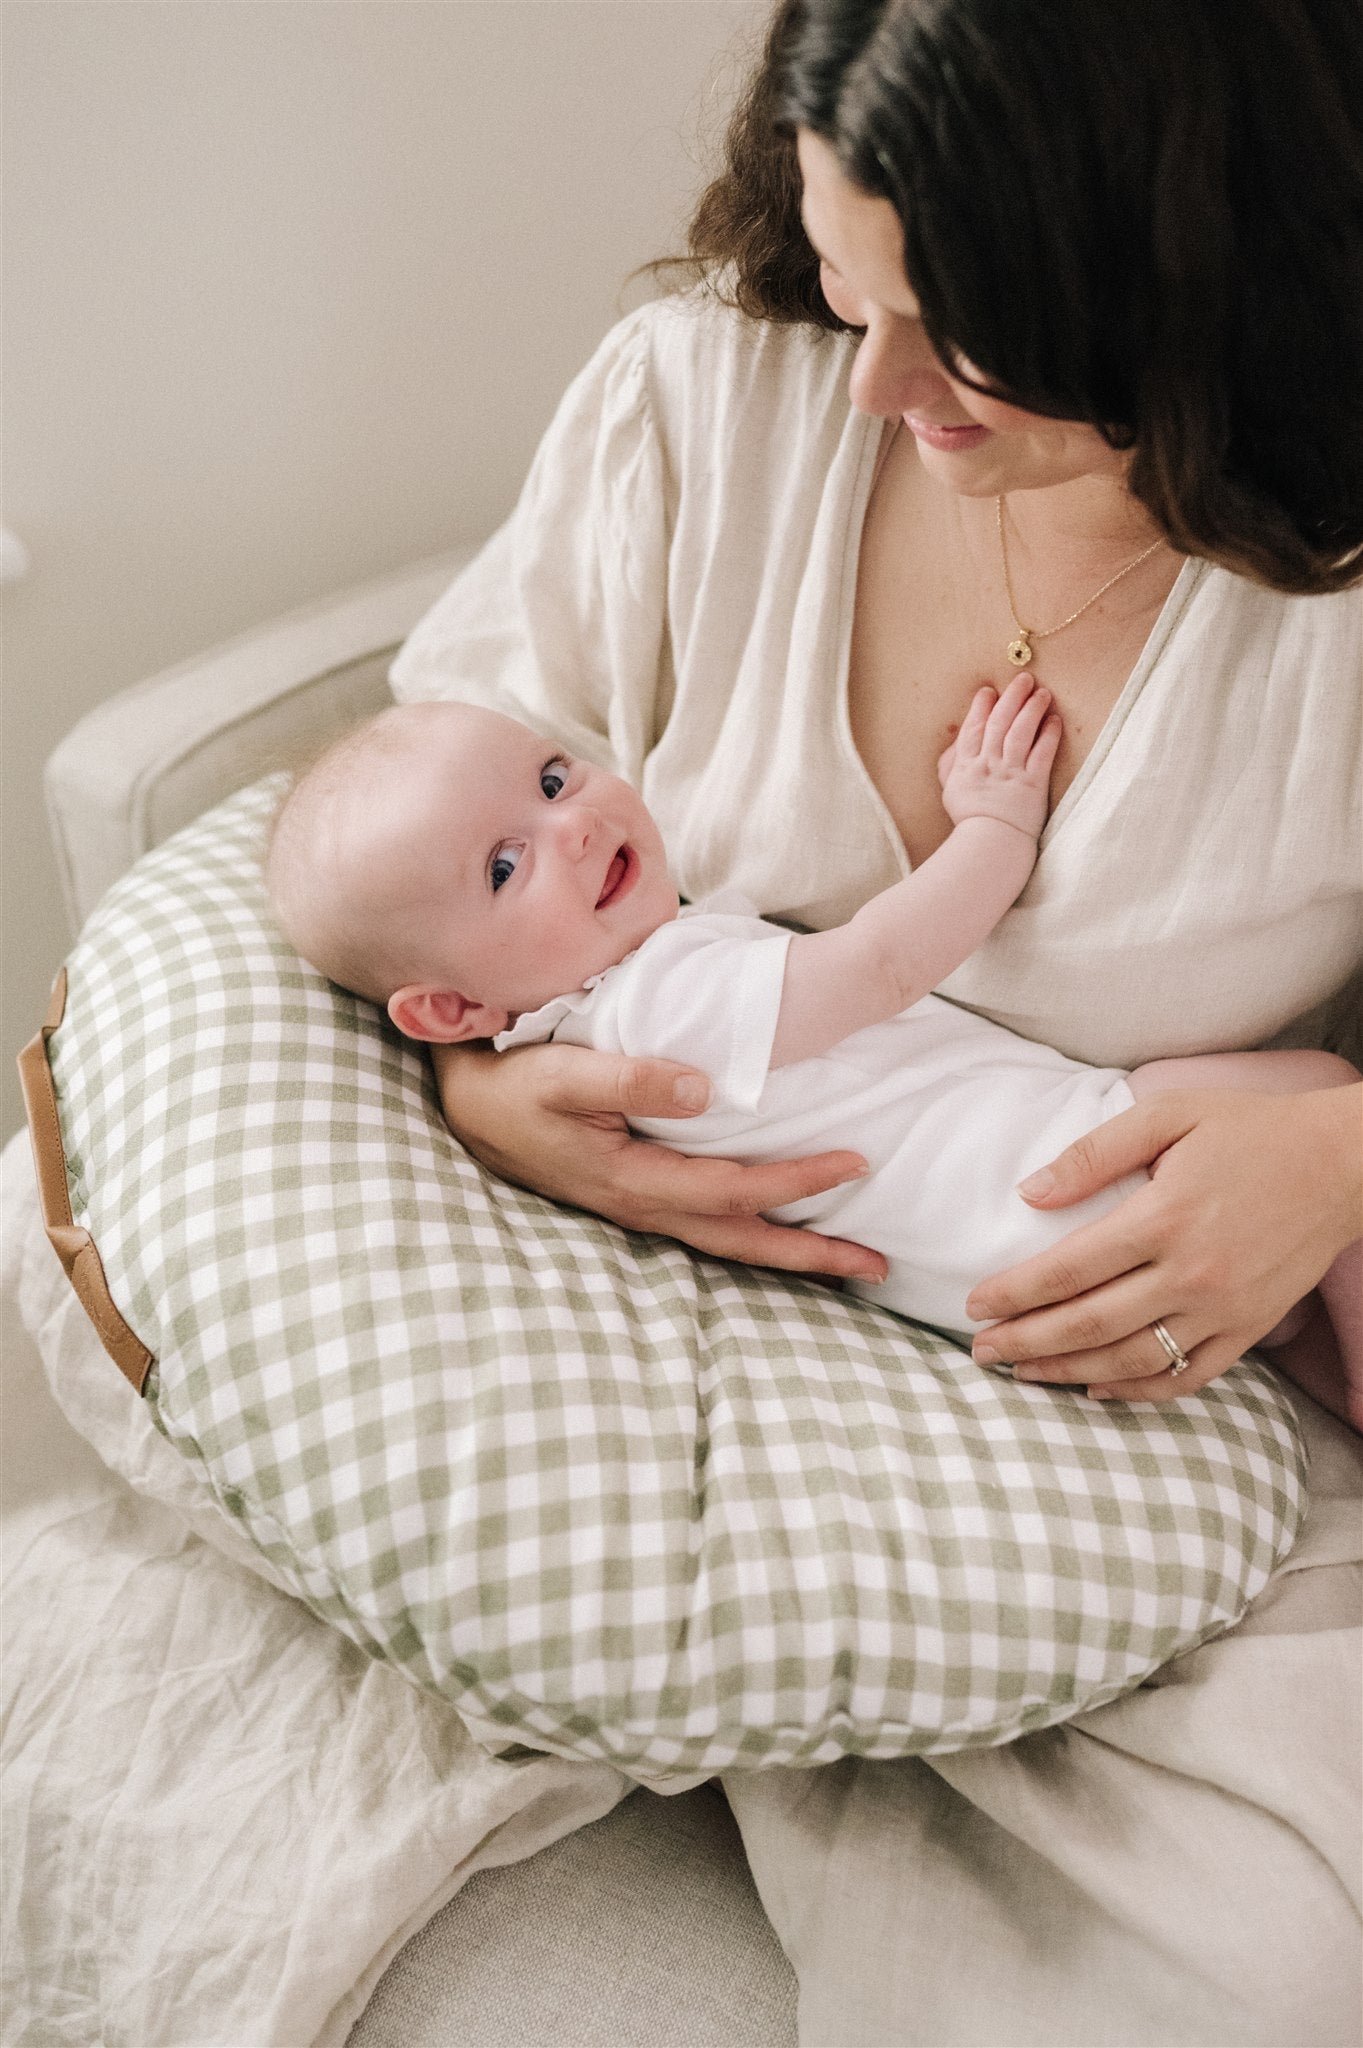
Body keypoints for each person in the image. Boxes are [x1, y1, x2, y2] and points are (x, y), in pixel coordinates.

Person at [382, 0, 1362, 2032]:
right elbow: (415, 830)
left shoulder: (1325, 598)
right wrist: (485, 1093)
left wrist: (1337, 1146)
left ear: (1203, 289)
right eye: (846, 277)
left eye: (971, 329)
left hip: (1183, 1416)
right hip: (769, 1413)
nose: (877, 380)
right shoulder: (700, 401)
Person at [268, 686, 1362, 1422]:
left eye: (555, 780)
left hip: (1010, 1272)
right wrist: (995, 828)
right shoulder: (659, 1001)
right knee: (1318, 1090)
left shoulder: (590, 1034)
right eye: (505, 867)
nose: (575, 827)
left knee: (1299, 1300)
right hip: (1070, 1169)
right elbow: (881, 965)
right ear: (452, 1011)